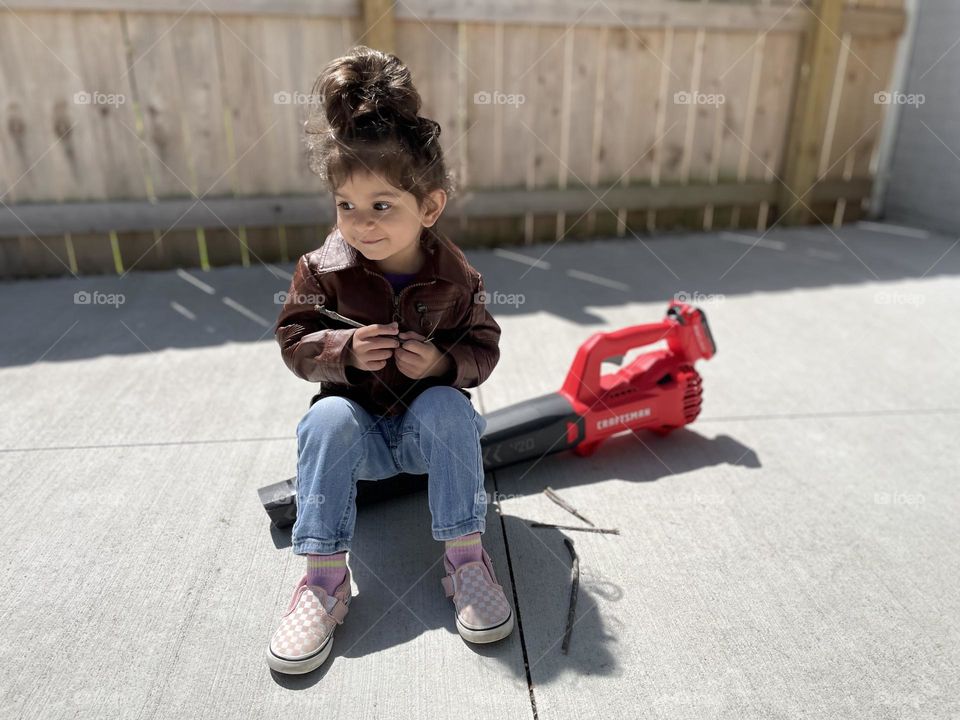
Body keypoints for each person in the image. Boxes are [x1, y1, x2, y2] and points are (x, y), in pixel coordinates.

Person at [265, 45, 514, 675]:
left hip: (426, 441)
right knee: (324, 423)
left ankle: (465, 561)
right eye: (347, 206)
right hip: (363, 440)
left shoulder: (456, 276)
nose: (362, 223)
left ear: (429, 207)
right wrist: (342, 349)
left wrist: (439, 366)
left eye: (383, 206)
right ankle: (322, 582)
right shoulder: (321, 270)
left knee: (450, 411)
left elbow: (484, 347)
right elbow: (294, 341)